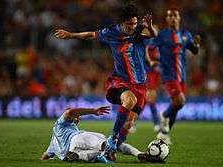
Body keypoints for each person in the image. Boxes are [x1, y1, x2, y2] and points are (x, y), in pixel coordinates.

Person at [54, 4, 157, 156]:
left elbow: (152, 34)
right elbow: (90, 34)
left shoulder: (140, 29)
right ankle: (112, 138)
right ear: (122, 23)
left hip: (140, 83)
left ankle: (112, 147)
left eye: (135, 23)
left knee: (128, 124)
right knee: (129, 101)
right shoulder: (111, 32)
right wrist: (71, 35)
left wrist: (149, 26)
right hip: (120, 80)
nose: (132, 27)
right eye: (129, 24)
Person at [146, 8, 201, 144]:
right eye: (169, 15)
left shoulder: (185, 34)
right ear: (167, 19)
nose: (172, 18)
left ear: (179, 18)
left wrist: (196, 44)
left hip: (181, 76)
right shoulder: (163, 34)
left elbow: (194, 51)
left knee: (177, 105)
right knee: (180, 101)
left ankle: (164, 134)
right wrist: (152, 61)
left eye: (175, 15)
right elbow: (149, 48)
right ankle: (163, 115)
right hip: (168, 74)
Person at [40, 106, 153, 163]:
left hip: (71, 152)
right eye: (77, 116)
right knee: (109, 143)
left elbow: (45, 156)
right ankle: (138, 154)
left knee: (99, 153)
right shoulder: (61, 123)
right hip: (76, 138)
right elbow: (70, 112)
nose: (79, 118)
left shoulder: (53, 142)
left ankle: (83, 156)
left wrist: (45, 160)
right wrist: (93, 111)